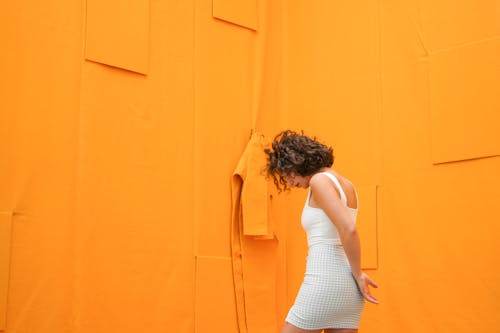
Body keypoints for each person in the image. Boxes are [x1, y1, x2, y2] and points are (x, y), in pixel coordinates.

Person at [264, 130, 378, 333]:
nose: (289, 183)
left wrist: (360, 273)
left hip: (325, 280)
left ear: (297, 162)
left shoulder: (319, 181)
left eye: (288, 174)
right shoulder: (348, 185)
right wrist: (356, 275)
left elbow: (349, 229)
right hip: (349, 289)